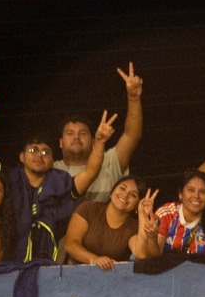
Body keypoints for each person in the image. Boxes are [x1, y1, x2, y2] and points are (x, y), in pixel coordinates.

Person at [0, 91, 108, 260]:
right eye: (33, 150)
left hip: (49, 264)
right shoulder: (8, 178)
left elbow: (90, 173)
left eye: (46, 152)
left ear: (52, 160)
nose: (39, 155)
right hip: (6, 260)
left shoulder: (60, 181)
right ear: (22, 157)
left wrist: (100, 143)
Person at [52, 64, 145, 203]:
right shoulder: (50, 170)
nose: (76, 137)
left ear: (93, 140)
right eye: (70, 133)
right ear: (60, 142)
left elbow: (132, 135)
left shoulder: (110, 161)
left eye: (83, 133)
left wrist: (133, 98)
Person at [131, 171, 205, 260]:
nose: (196, 196)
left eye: (202, 192)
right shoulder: (166, 214)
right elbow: (155, 256)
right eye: (191, 190)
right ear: (180, 195)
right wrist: (152, 238)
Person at [62, 175, 144, 269]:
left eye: (133, 195)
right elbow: (70, 244)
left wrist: (143, 217)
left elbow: (140, 253)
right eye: (122, 188)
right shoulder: (89, 208)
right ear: (112, 191)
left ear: (138, 204)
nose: (125, 195)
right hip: (74, 274)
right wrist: (94, 259)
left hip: (112, 279)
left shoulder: (134, 227)